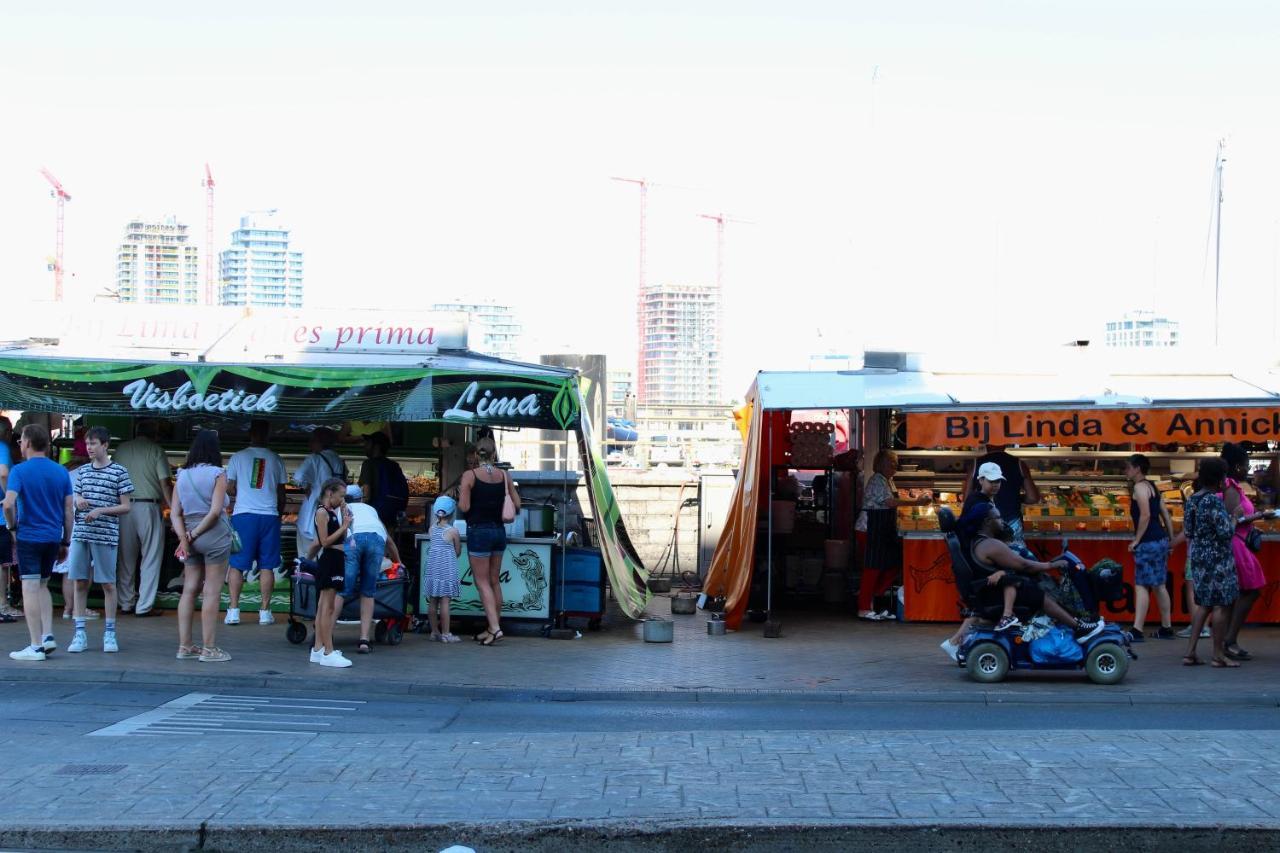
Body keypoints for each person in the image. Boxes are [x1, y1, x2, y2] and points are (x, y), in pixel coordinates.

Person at [967, 502, 1105, 641]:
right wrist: (1051, 565)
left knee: (1038, 586)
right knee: (1039, 594)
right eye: (998, 518)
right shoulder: (991, 544)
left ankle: (1074, 623)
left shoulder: (980, 541)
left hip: (993, 590)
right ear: (987, 522)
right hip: (995, 593)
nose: (1002, 520)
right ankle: (1078, 628)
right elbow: (1023, 565)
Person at [4, 425, 74, 661]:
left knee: (30, 588)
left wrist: (12, 527)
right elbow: (68, 511)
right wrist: (65, 541)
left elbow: (8, 503)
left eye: (21, 441)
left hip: (29, 536)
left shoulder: (19, 471)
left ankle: (35, 646)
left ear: (28, 443)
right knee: (43, 585)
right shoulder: (61, 472)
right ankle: (48, 635)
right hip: (53, 537)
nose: (19, 445)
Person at [67, 427, 133, 655]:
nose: (89, 448)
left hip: (105, 535)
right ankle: (79, 632)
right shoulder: (83, 471)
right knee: (79, 581)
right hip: (81, 533)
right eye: (88, 444)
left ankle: (110, 632)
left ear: (105, 445)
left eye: (93, 443)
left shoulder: (119, 472)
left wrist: (101, 511)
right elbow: (75, 496)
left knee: (108, 584)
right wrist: (79, 499)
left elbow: (126, 506)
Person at [171, 430, 233, 663]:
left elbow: (175, 513)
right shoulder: (219, 474)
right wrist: (197, 533)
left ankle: (184, 646)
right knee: (211, 591)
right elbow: (216, 511)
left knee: (189, 589)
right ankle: (209, 648)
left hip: (188, 533)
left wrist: (185, 538)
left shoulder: (182, 474)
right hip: (213, 534)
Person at [458, 434, 520, 646]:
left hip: (479, 532)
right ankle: (491, 628)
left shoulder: (470, 475)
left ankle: (495, 627)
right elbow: (517, 505)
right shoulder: (505, 476)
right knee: (494, 581)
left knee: (481, 581)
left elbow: (464, 507)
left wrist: (462, 493)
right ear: (494, 454)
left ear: (476, 454)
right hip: (499, 532)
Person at [224, 420, 287, 627]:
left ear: (250, 433)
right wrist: (278, 513)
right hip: (269, 516)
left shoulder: (238, 457)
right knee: (267, 565)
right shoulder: (276, 458)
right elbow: (281, 492)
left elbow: (230, 488)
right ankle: (265, 612)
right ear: (268, 434)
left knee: (237, 564)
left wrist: (242, 489)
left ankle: (233, 611)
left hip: (244, 516)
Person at [1182, 458, 1239, 668]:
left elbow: (1188, 531)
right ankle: (1218, 655)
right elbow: (1225, 532)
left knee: (1204, 605)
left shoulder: (1193, 499)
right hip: (1217, 558)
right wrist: (1235, 517)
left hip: (1198, 557)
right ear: (1219, 477)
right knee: (1221, 605)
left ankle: (1190, 653)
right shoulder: (1213, 501)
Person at [859, 450, 929, 621]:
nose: (895, 466)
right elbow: (890, 502)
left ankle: (876, 600)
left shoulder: (888, 481)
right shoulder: (877, 480)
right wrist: (917, 502)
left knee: (894, 563)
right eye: (891, 462)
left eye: (895, 462)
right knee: (872, 568)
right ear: (881, 464)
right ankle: (863, 607)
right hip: (870, 527)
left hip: (884, 528)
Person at [1219, 443, 1272, 662]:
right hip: (1237, 544)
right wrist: (1260, 516)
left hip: (1239, 542)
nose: (1248, 468)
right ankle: (1229, 640)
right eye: (1246, 465)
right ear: (1237, 466)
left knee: (1240, 593)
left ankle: (1227, 640)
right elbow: (1235, 518)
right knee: (1249, 590)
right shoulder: (1231, 486)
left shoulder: (1233, 485)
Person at [113, 419, 172, 618]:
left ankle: (126, 602)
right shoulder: (156, 450)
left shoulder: (121, 449)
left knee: (125, 558)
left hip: (124, 507)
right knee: (151, 557)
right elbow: (165, 484)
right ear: (154, 433)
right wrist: (173, 509)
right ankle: (144, 605)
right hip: (149, 507)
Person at [335, 484, 402, 655]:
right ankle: (364, 640)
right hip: (375, 539)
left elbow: (340, 538)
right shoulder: (371, 509)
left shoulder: (341, 508)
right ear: (361, 498)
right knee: (368, 591)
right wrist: (398, 562)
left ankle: (325, 635)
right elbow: (389, 541)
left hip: (353, 539)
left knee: (342, 589)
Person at [1126, 454, 1174, 642]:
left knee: (1141, 585)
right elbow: (1165, 515)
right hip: (1160, 540)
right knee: (1159, 585)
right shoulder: (1152, 486)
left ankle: (1137, 630)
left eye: (1128, 467)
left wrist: (1136, 540)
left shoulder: (1138, 488)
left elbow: (1145, 515)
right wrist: (1170, 539)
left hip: (1148, 542)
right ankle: (1166, 627)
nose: (1126, 471)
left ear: (1138, 468)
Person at [309, 478, 352, 668]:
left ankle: (318, 648)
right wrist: (343, 527)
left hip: (336, 559)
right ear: (329, 493)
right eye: (341, 496)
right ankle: (328, 650)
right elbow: (324, 541)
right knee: (328, 608)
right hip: (329, 561)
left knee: (323, 607)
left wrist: (344, 516)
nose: (342, 499)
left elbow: (341, 537)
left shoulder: (332, 512)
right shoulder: (321, 512)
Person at [962, 445, 1041, 548]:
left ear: (986, 444)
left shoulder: (976, 464)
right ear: (1005, 443)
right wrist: (1016, 498)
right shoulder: (1019, 463)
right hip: (1012, 523)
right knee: (1015, 559)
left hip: (986, 524)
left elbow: (967, 498)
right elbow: (1033, 498)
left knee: (987, 560)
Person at [292, 427, 347, 563]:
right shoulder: (339, 460)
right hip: (334, 510)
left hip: (312, 511)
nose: (310, 444)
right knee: (327, 552)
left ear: (319, 442)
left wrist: (307, 487)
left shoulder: (314, 458)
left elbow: (297, 478)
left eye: (312, 441)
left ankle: (306, 579)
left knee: (307, 552)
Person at [424, 495, 463, 643]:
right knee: (445, 601)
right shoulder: (453, 531)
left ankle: (434, 632)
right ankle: (446, 634)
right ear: (453, 513)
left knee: (433, 601)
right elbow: (457, 551)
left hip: (433, 569)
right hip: (446, 569)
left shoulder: (432, 529)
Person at [358, 432, 408, 531]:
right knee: (388, 543)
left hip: (373, 516)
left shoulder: (368, 464)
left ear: (376, 446)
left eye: (368, 443)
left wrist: (360, 512)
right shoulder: (394, 465)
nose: (364, 446)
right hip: (391, 515)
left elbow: (366, 494)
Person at [0, 416, 19, 622]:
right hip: (0, 515)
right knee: (2, 562)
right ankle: (3, 605)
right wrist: (8, 497)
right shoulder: (2, 447)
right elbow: (4, 473)